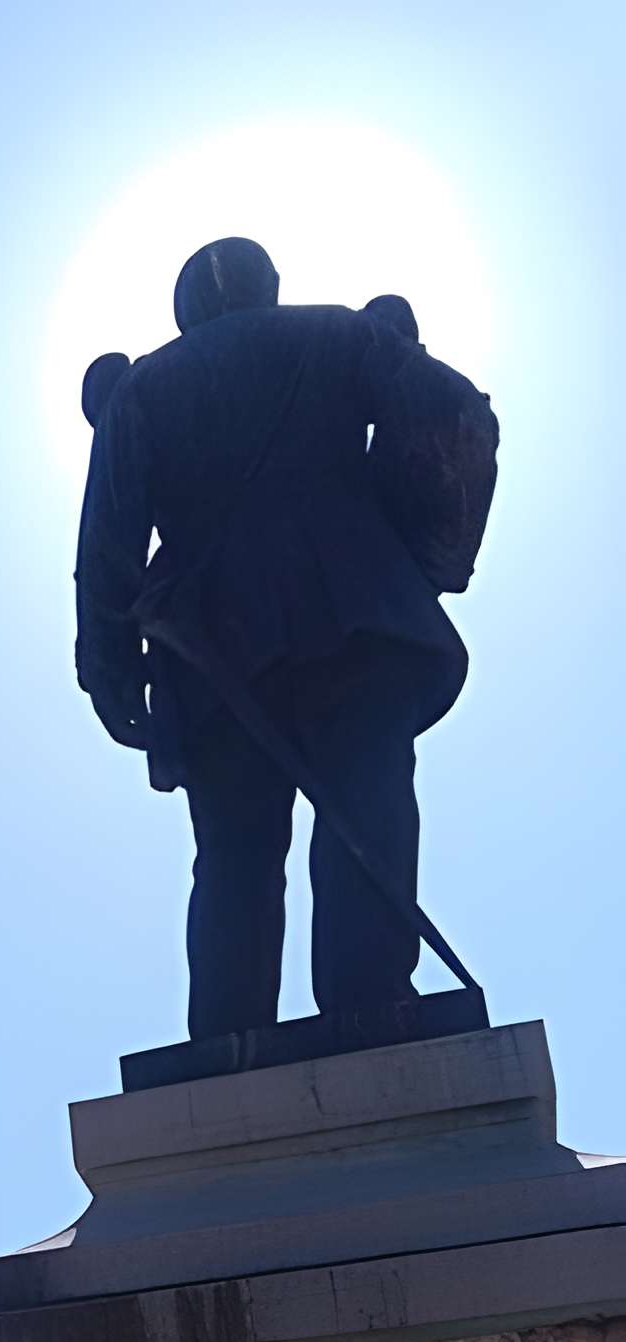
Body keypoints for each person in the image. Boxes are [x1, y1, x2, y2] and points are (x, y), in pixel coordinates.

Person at [74, 237, 498, 1040]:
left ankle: (229, 1039)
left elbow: (106, 552)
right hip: (358, 618)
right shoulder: (339, 333)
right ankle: (370, 1004)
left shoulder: (141, 390)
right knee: (365, 814)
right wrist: (425, 546)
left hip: (215, 653)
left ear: (183, 310)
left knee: (235, 859)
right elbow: (457, 416)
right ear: (270, 288)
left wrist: (111, 678)